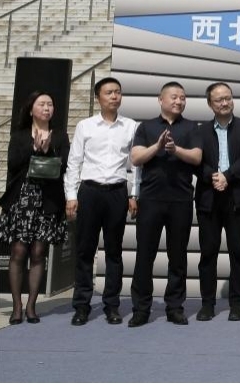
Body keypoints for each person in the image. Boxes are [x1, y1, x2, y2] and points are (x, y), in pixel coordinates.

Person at [64, 77, 138, 326]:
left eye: (118, 92)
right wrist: (71, 195)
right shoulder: (85, 126)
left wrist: (133, 193)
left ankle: (112, 305)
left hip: (117, 192)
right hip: (89, 192)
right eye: (109, 92)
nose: (114, 96)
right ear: (98, 97)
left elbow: (135, 165)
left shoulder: (130, 126)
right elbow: (74, 162)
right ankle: (81, 306)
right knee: (85, 250)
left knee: (114, 251)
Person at [129, 81, 202, 327]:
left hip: (181, 199)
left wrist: (175, 149)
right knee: (144, 255)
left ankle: (175, 307)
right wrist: (158, 146)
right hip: (150, 199)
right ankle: (141, 308)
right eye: (174, 97)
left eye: (183, 97)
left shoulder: (191, 127)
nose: (179, 101)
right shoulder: (146, 127)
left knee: (178, 256)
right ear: (161, 99)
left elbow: (197, 157)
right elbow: (136, 157)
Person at [0, 92, 69, 324]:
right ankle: (17, 306)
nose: (47, 108)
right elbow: (13, 163)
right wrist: (34, 148)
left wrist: (47, 150)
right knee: (18, 252)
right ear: (31, 110)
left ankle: (31, 306)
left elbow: (65, 165)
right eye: (42, 104)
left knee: (39, 252)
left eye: (50, 104)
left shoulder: (60, 136)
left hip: (48, 199)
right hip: (22, 199)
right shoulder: (19, 136)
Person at [193, 82, 240, 322]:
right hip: (208, 198)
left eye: (228, 98)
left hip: (237, 197)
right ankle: (207, 304)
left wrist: (227, 176)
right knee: (208, 253)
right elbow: (196, 162)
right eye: (219, 99)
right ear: (210, 104)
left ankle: (237, 304)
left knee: (237, 253)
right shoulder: (199, 131)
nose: (224, 103)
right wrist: (214, 177)